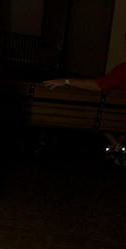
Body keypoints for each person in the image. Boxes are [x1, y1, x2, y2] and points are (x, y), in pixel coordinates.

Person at [43, 33, 126, 165]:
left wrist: (67, 81)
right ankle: (117, 147)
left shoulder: (123, 70)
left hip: (115, 116)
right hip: (122, 118)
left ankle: (118, 147)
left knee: (98, 115)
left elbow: (99, 85)